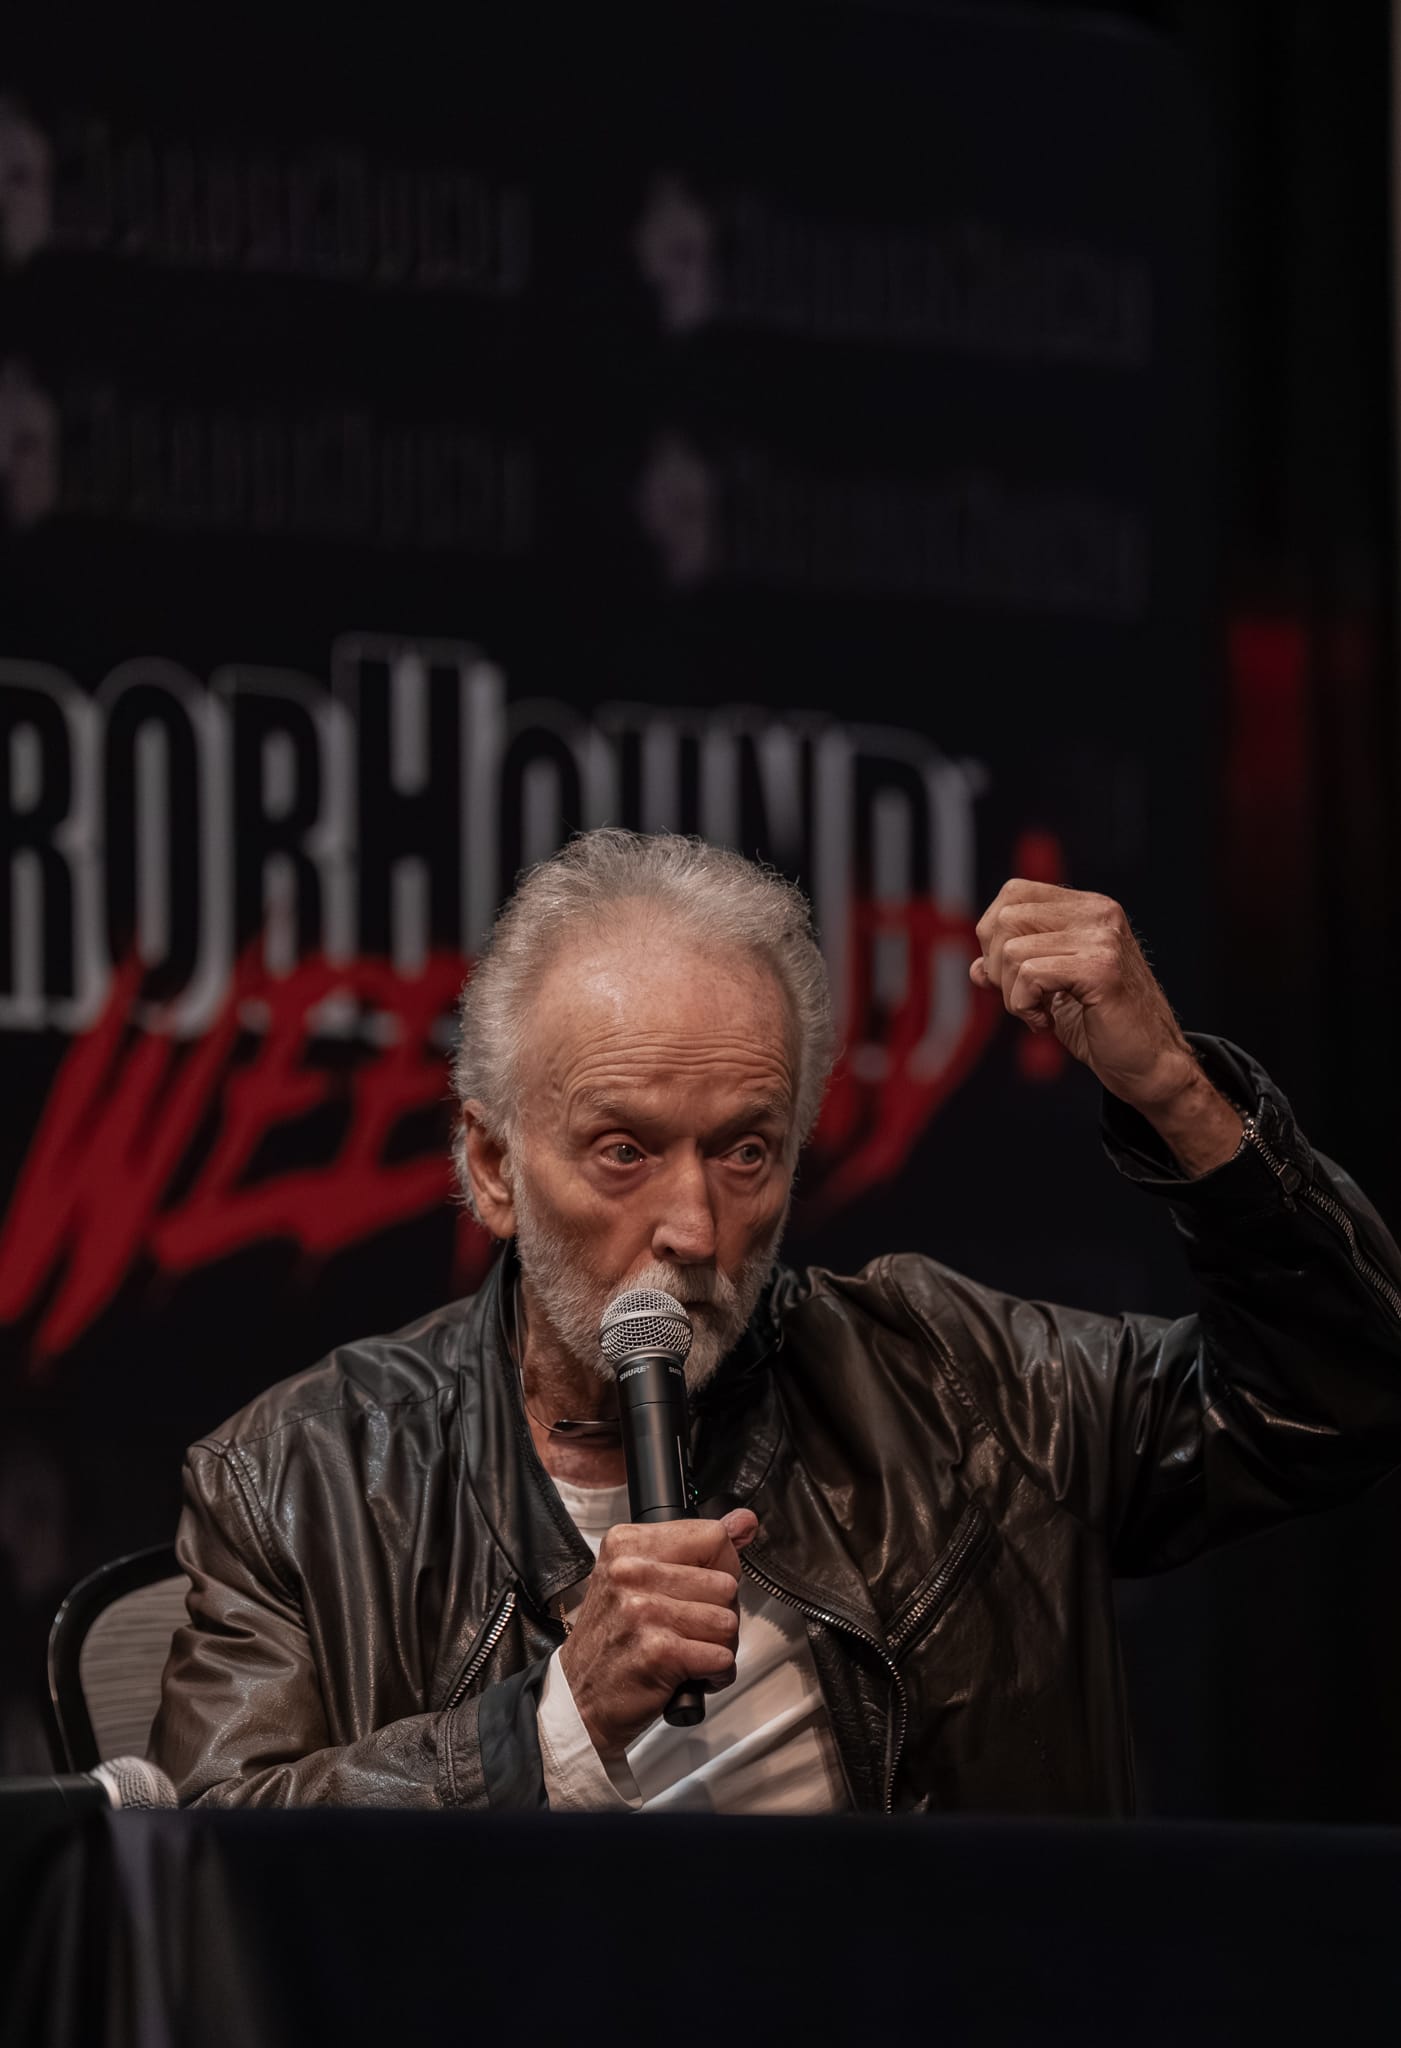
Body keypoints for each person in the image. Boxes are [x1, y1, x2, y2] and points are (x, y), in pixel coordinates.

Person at [151, 830, 1401, 1813]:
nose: (694, 1226)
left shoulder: (961, 1388)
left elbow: (1336, 1391)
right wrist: (552, 1724)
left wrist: (1174, 1088)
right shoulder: (298, 1478)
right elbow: (213, 1860)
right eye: (624, 1149)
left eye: (745, 1151)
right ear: (491, 1165)